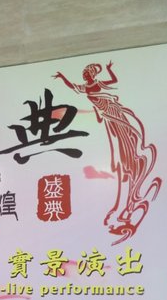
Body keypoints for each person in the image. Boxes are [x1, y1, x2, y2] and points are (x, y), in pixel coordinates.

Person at [54, 62, 161, 244]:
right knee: (119, 151)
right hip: (108, 118)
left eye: (88, 73)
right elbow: (72, 86)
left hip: (114, 113)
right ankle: (126, 192)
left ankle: (130, 186)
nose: (86, 75)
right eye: (85, 73)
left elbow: (114, 80)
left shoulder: (98, 84)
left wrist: (110, 69)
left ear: (92, 74)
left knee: (126, 146)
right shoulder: (85, 87)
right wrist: (62, 77)